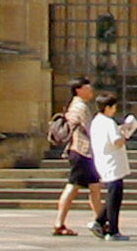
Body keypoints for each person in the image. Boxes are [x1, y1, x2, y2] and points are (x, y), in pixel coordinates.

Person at [53, 76, 104, 236]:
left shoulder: (77, 105)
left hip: (83, 152)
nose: (91, 92)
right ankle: (59, 223)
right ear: (78, 90)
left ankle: (101, 221)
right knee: (73, 187)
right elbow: (90, 130)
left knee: (94, 188)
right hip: (81, 152)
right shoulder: (80, 107)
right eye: (87, 89)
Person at [89, 91, 137, 241]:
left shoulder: (96, 121)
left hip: (103, 161)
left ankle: (99, 222)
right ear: (108, 107)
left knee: (113, 196)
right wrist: (126, 131)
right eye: (114, 107)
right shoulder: (108, 122)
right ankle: (112, 230)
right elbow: (117, 141)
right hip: (113, 163)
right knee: (114, 198)